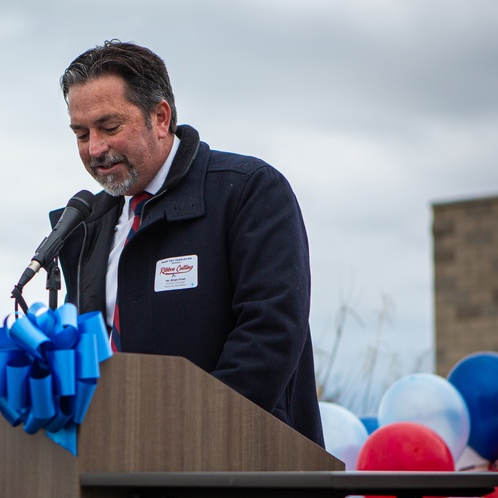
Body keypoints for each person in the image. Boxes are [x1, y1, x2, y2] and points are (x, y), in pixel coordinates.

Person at [55, 40, 324, 445]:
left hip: (235, 474)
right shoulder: (86, 225)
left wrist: (186, 438)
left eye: (109, 128)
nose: (95, 149)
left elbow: (270, 335)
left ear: (160, 117)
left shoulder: (248, 192)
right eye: (81, 134)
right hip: (113, 471)